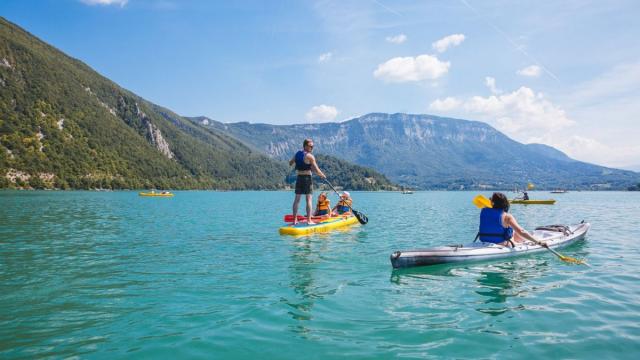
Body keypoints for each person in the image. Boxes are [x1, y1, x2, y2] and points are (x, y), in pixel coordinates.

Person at [289, 139, 326, 224]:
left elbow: (290, 163)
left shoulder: (298, 153)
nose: (312, 148)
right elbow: (316, 170)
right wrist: (322, 175)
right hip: (307, 178)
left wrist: (299, 163)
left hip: (299, 178)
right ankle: (309, 221)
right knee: (308, 199)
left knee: (297, 199)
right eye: (310, 146)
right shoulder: (310, 156)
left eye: (313, 146)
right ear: (305, 146)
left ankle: (294, 221)